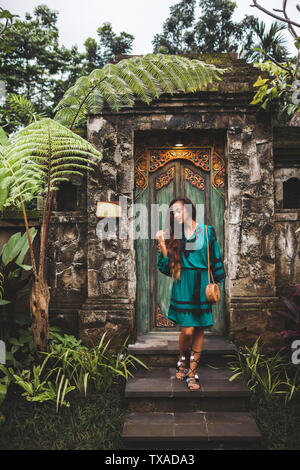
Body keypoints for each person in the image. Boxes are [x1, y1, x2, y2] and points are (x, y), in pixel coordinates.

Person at [155, 197, 226, 391]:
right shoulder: (174, 235)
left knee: (200, 328)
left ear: (189, 210)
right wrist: (162, 244)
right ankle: (182, 359)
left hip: (202, 283)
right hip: (183, 283)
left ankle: (192, 371)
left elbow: (216, 256)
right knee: (187, 330)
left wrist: (217, 279)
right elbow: (167, 268)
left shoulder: (207, 231)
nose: (176, 215)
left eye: (179, 211)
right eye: (173, 212)